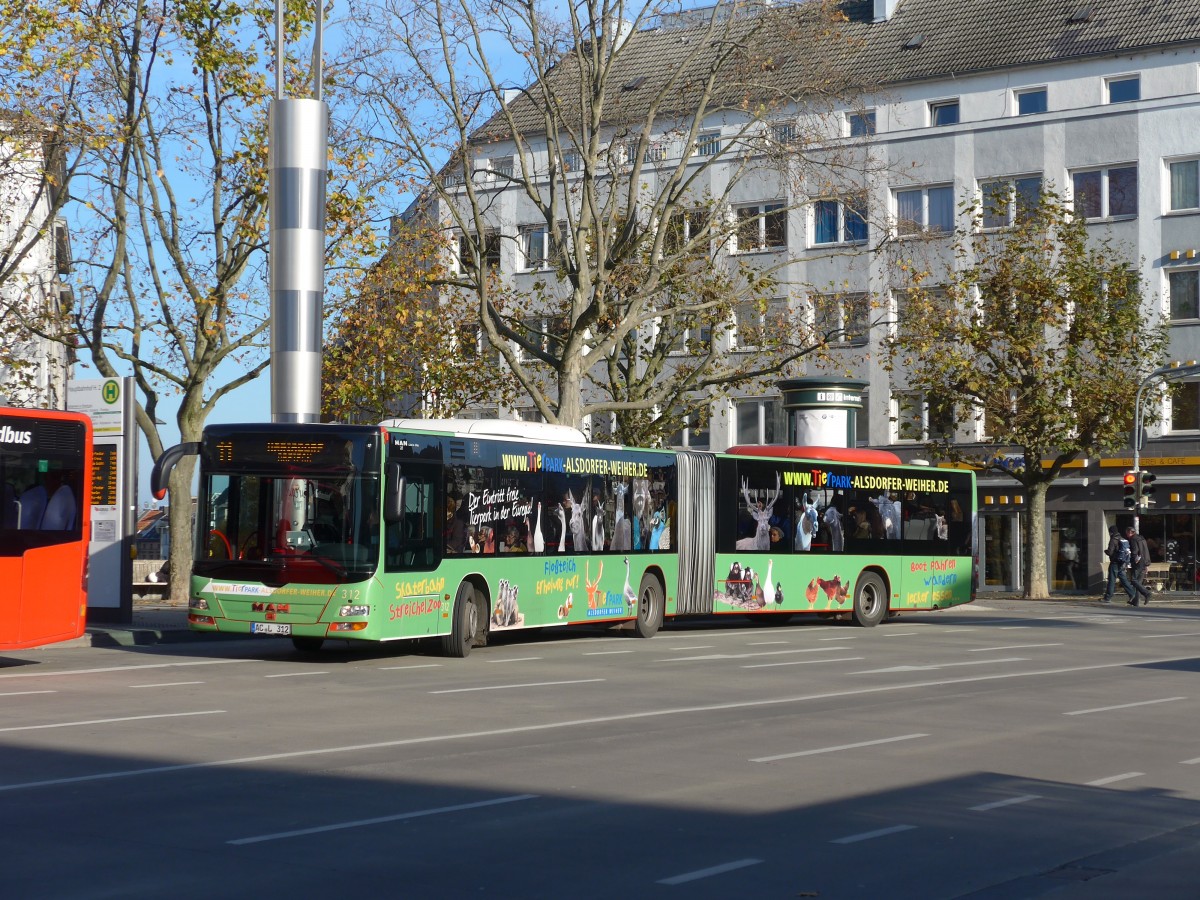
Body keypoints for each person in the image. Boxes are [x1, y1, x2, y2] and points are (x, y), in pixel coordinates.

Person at [1101, 524, 1136, 604]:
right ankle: (1132, 594)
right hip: (1122, 562)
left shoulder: (1113, 540)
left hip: (1115, 562)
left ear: (1111, 532)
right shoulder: (1122, 538)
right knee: (1124, 580)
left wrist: (1105, 551)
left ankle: (1108, 597)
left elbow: (1110, 552)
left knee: (1112, 580)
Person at [1125, 526, 1153, 606]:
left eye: (1127, 533)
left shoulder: (1134, 539)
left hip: (1138, 563)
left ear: (1130, 532)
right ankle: (1135, 601)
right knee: (1138, 582)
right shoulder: (1142, 539)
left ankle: (1147, 593)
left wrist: (1132, 561)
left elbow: (1134, 551)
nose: (1127, 535)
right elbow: (1145, 551)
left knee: (1134, 580)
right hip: (1144, 562)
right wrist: (1146, 564)